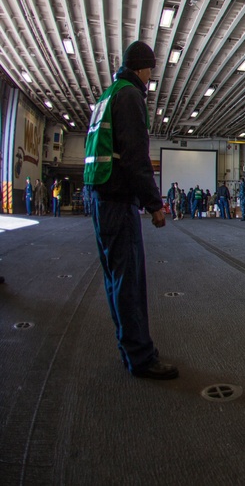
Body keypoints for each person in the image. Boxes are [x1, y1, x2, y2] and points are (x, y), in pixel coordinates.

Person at [84, 40, 177, 380]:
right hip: (116, 198)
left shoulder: (107, 95)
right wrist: (154, 204)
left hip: (97, 195)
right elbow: (137, 157)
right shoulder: (129, 95)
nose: (152, 76)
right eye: (151, 69)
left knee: (115, 279)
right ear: (142, 68)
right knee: (129, 280)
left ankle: (129, 346)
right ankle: (140, 357)